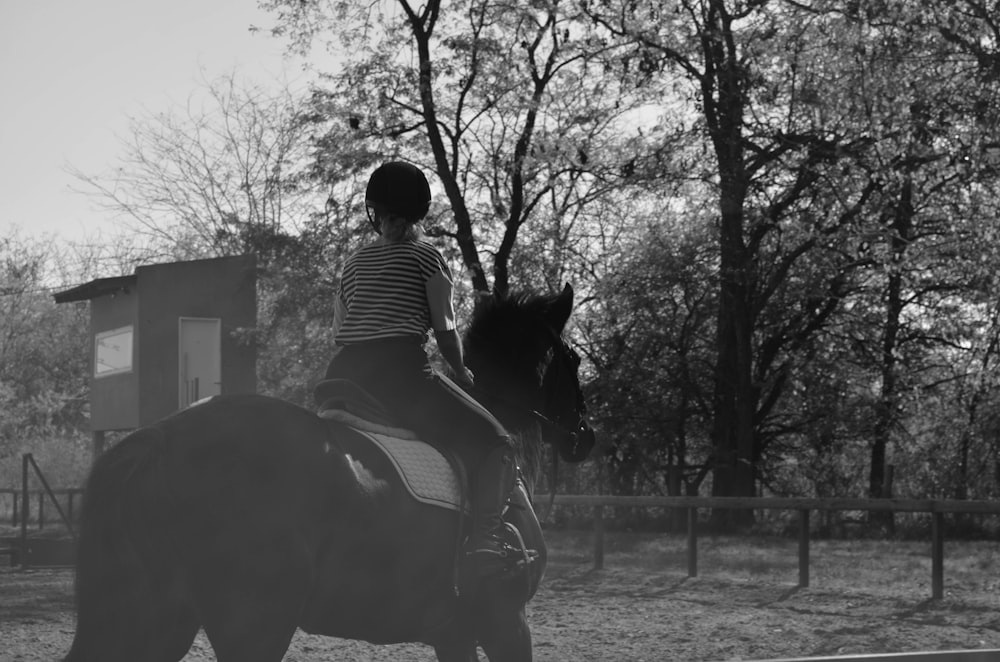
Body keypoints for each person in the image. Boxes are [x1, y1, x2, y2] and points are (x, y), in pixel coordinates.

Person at [321, 161, 515, 575]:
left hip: (343, 374)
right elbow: (445, 330)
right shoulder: (428, 258)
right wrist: (461, 373)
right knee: (496, 442)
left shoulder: (354, 263)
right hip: (400, 375)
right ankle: (485, 539)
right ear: (420, 212)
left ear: (374, 211)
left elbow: (339, 330)